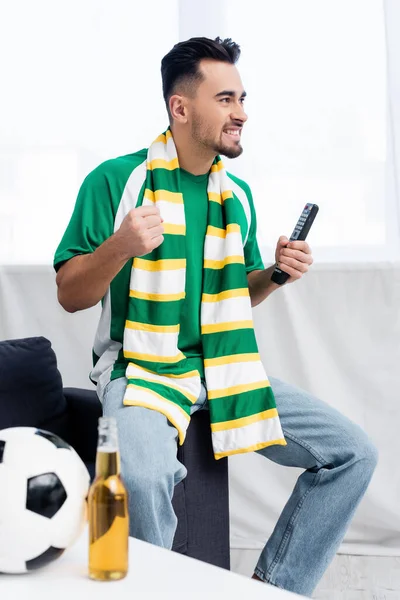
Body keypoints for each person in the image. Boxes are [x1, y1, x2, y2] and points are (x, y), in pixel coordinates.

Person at [54, 36, 378, 597]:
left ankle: (273, 586)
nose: (242, 113)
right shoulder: (115, 181)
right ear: (181, 109)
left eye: (243, 98)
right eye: (226, 99)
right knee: (143, 475)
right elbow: (69, 294)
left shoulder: (238, 195)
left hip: (222, 367)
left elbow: (235, 294)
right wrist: (120, 247)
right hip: (140, 369)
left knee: (352, 452)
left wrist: (275, 273)